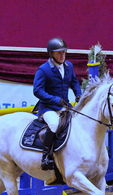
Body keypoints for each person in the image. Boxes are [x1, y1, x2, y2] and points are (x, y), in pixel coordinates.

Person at [33, 37, 82, 170]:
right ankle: (46, 157)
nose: (62, 55)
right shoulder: (43, 70)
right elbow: (37, 91)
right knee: (55, 125)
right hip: (48, 108)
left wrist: (78, 94)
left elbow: (74, 82)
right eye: (59, 53)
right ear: (51, 54)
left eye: (64, 52)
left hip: (64, 107)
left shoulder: (69, 66)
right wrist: (54, 99)